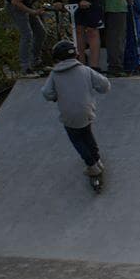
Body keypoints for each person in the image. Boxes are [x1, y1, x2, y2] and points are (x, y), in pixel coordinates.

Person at [41, 40, 111, 178]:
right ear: (77, 55)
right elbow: (105, 85)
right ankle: (97, 160)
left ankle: (91, 165)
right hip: (86, 111)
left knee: (77, 140)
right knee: (87, 134)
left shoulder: (55, 74)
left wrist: (55, 96)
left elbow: (47, 93)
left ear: (57, 58)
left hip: (68, 115)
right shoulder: (85, 70)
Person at [6, 0, 55, 77]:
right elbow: (15, 1)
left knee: (41, 32)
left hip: (26, 5)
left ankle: (36, 62)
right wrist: (32, 12)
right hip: (14, 6)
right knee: (27, 34)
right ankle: (25, 68)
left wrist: (54, 5)